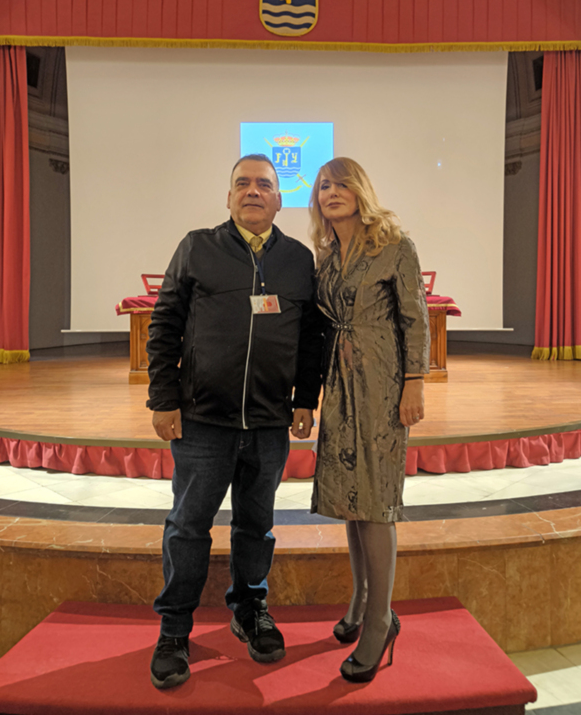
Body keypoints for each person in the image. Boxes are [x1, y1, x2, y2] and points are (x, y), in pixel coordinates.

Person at [146, 154, 321, 689]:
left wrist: (305, 399)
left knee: (256, 526)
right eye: (242, 183)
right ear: (228, 197)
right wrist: (163, 398)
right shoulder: (197, 247)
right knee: (188, 527)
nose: (252, 191)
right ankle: (174, 630)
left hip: (269, 423)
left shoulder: (298, 259)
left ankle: (249, 610)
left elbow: (310, 338)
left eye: (263, 184)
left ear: (279, 199)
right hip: (203, 420)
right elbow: (165, 323)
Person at [309, 157, 430, 683]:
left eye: (341, 183)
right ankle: (360, 599)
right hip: (339, 387)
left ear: (360, 190)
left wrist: (415, 381)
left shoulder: (394, 245)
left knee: (376, 499)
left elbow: (415, 318)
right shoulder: (327, 257)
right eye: (323, 186)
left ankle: (382, 618)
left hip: (382, 384)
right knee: (351, 497)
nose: (331, 192)